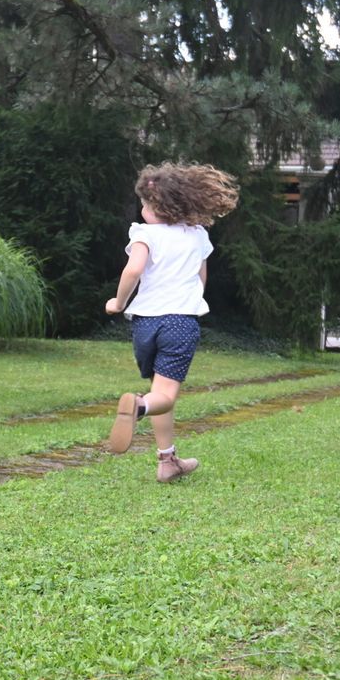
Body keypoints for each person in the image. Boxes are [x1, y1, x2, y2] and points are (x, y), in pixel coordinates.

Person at [105, 163, 240, 482]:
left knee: (158, 388)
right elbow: (201, 278)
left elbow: (133, 270)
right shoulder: (197, 235)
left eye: (146, 205)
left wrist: (118, 302)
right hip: (179, 323)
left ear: (158, 208)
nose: (142, 210)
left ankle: (167, 461)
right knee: (162, 397)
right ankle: (137, 407)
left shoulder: (143, 234)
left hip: (144, 324)